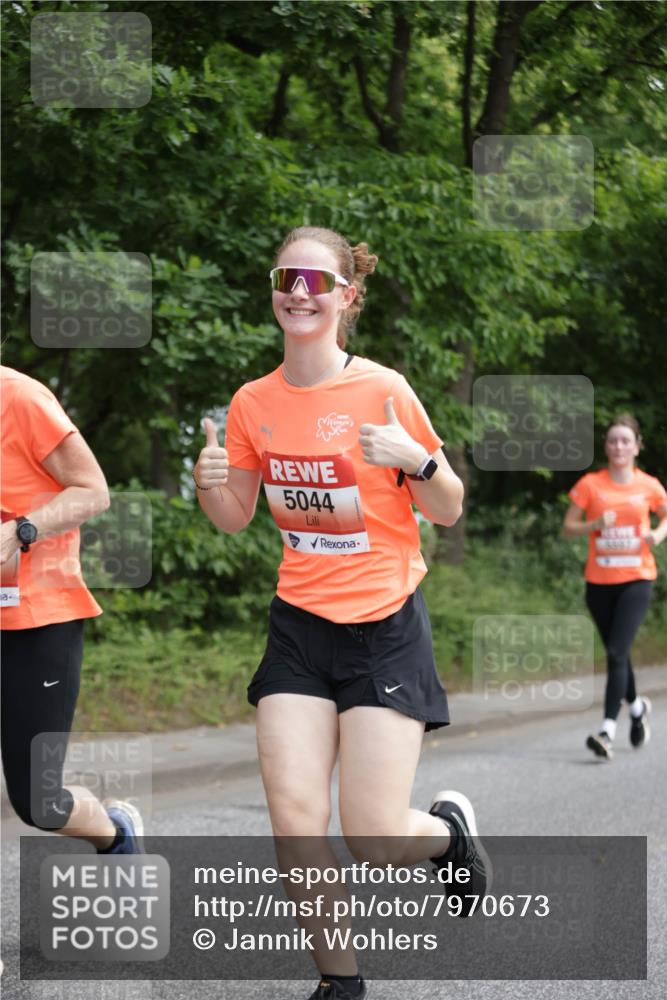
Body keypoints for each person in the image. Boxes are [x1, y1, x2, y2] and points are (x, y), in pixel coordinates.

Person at [194, 227, 490, 1000]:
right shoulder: (252, 402)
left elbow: (448, 507)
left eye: (316, 281)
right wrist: (208, 482)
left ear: (345, 296)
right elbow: (234, 516)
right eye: (286, 277)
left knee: (372, 835)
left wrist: (416, 460)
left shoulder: (383, 389)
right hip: (298, 625)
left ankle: (447, 837)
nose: (298, 291)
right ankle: (341, 983)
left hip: (383, 627)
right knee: (295, 820)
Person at [0, 365, 142, 852]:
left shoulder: (20, 398)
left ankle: (114, 833)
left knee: (39, 803)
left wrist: (21, 530)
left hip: (36, 621)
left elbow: (93, 490)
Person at [563, 413, 667, 760]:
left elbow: (666, 515)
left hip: (637, 579)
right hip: (599, 582)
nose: (618, 446)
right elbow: (568, 528)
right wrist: (594, 522)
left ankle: (607, 730)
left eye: (625, 440)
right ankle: (637, 708)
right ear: (606, 447)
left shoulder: (649, 485)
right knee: (617, 653)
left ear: (637, 447)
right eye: (612, 440)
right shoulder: (591, 485)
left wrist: (658, 533)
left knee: (616, 653)